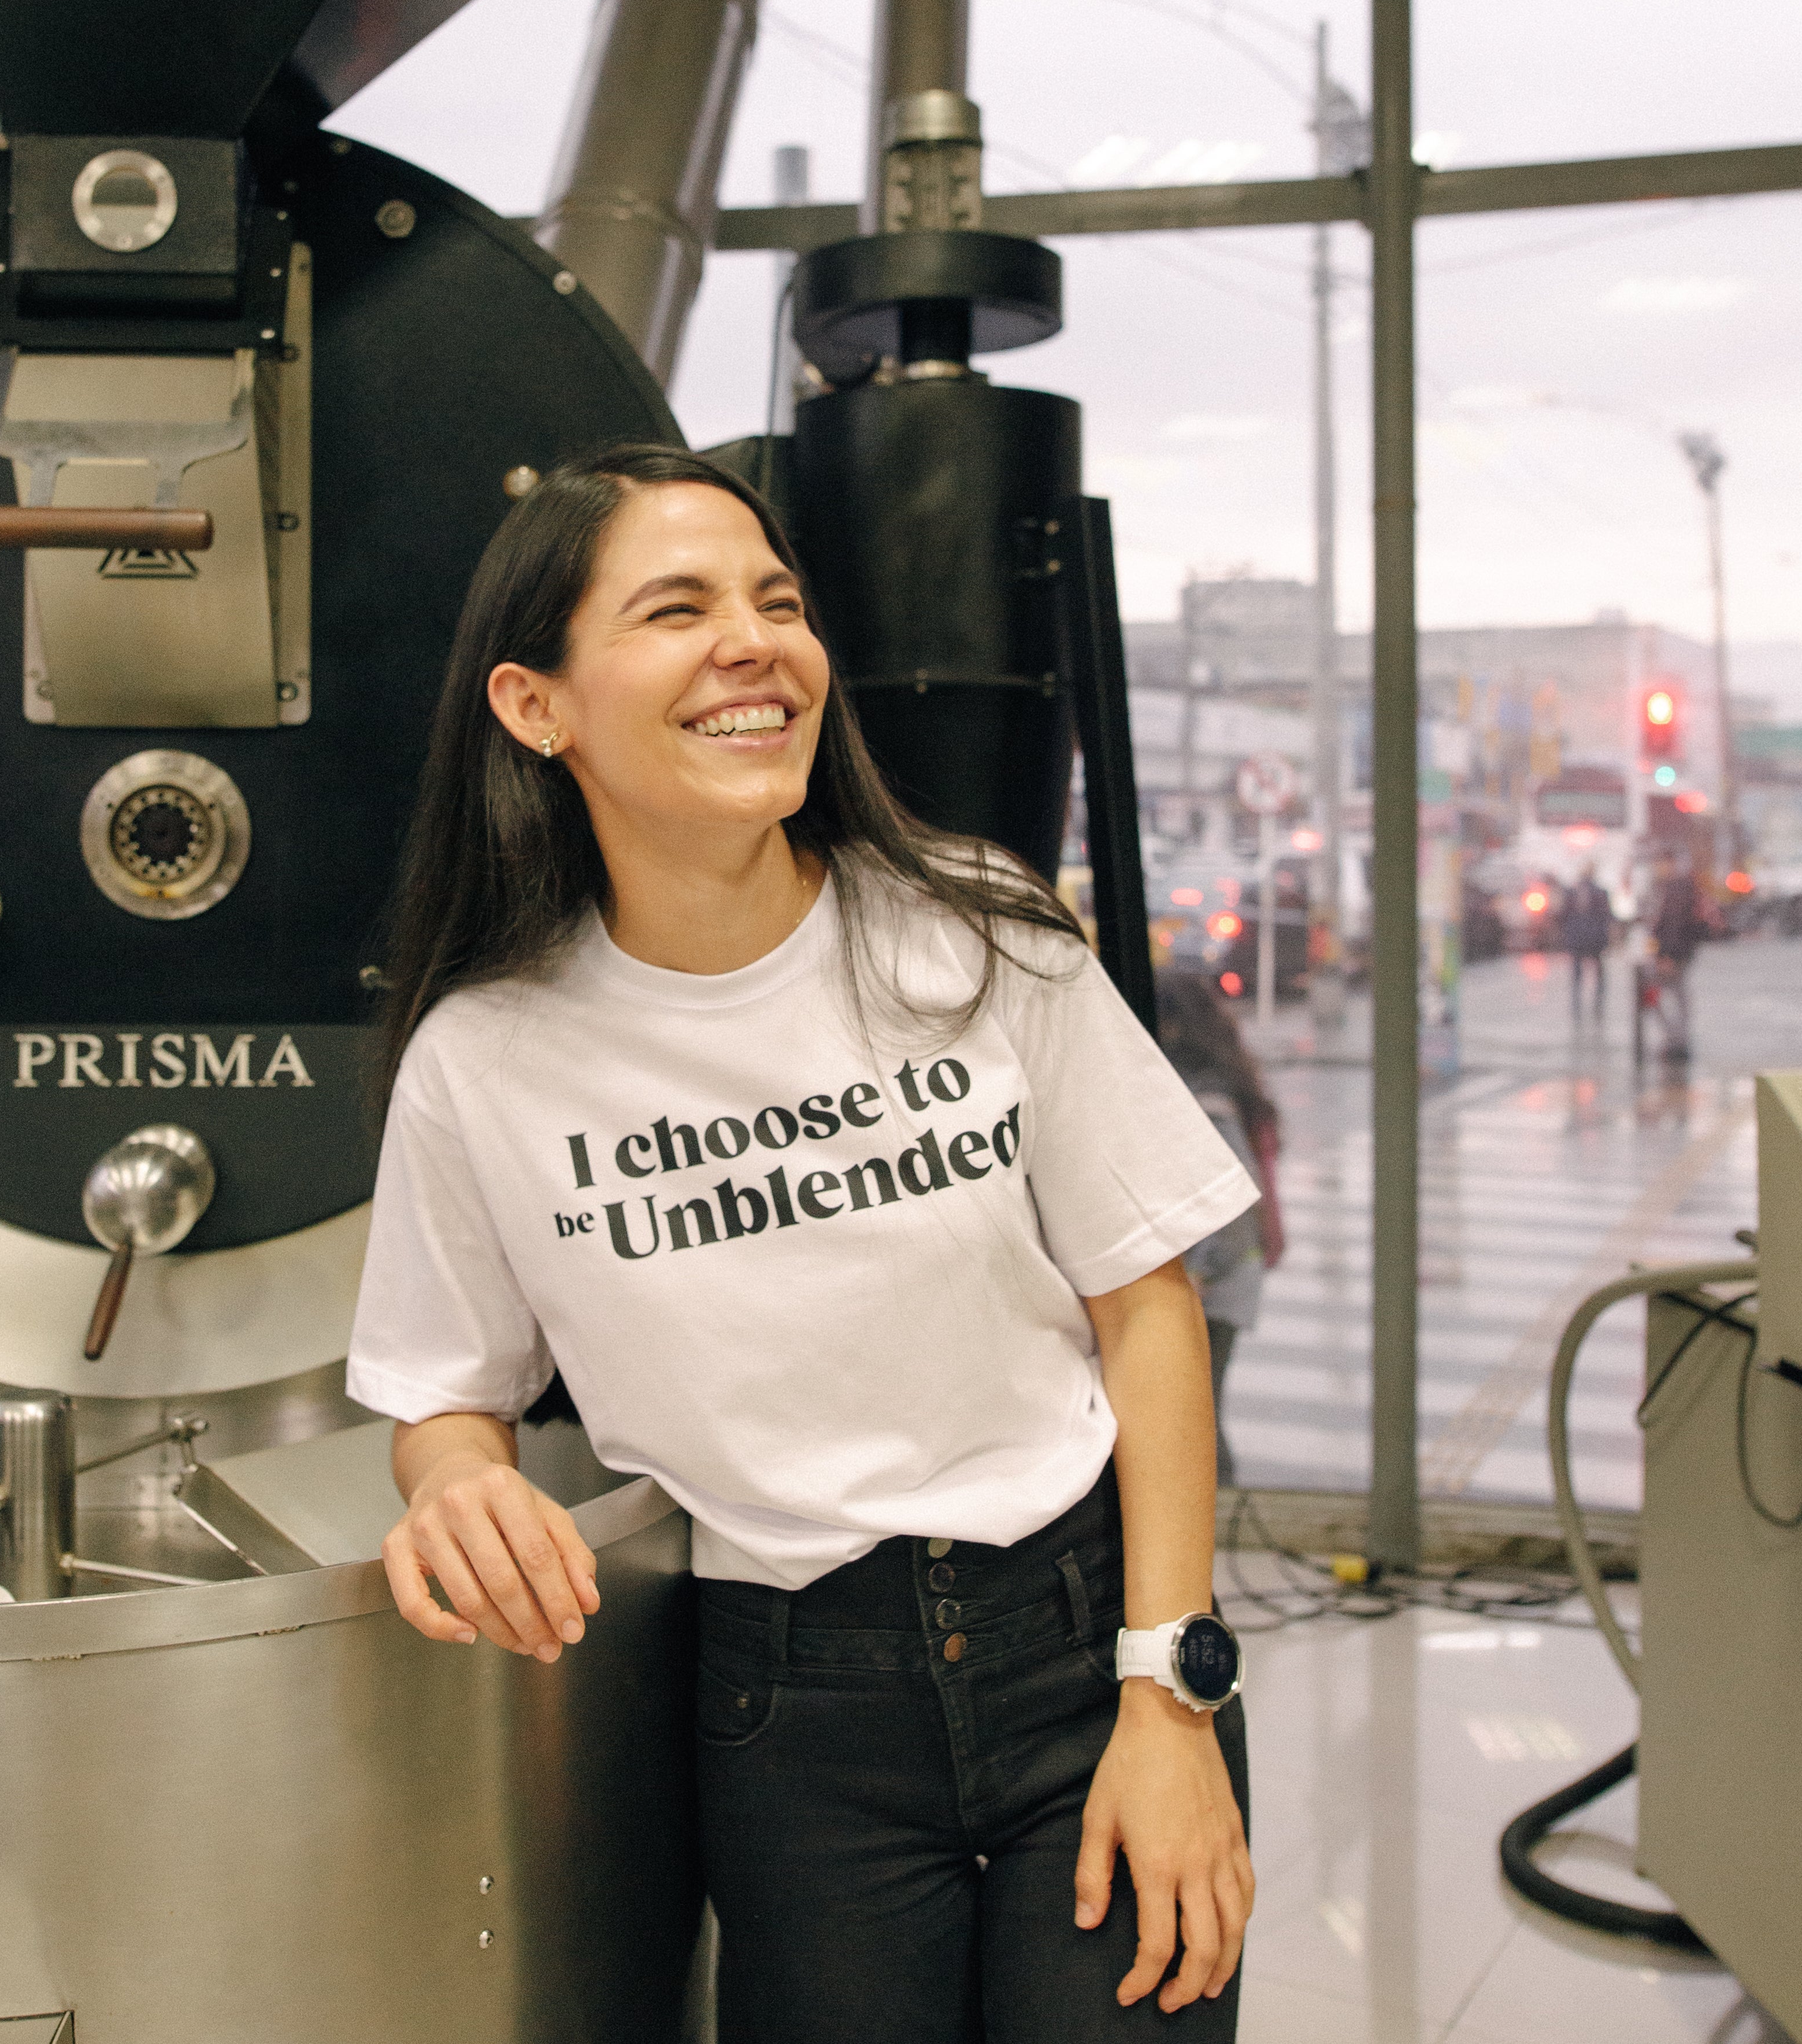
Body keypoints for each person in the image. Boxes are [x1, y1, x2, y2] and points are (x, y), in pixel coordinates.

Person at [347, 443, 1258, 2042]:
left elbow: (1147, 1304)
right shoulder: (483, 1060)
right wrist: (457, 1480)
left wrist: (1166, 1693)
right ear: (534, 705)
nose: (751, 641)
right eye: (675, 608)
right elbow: (440, 1392)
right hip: (787, 1707)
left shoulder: (974, 931)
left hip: (1084, 1640)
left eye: (774, 600)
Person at [1152, 975, 1284, 1485]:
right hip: (1228, 1280)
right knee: (1199, 1416)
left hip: (1212, 1287)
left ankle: (1212, 1529)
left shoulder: (1204, 1098)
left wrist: (1194, 1273)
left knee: (1194, 1423)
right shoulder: (1227, 1081)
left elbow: (1229, 1199)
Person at [1649, 854, 1707, 1060]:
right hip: (1680, 954)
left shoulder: (1676, 889)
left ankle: (1676, 1041)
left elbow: (1674, 926)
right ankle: (1678, 1040)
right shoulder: (1681, 887)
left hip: (1673, 955)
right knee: (1677, 997)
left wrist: (1666, 956)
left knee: (1656, 995)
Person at [1562, 862, 1612, 1017]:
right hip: (1595, 939)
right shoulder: (1600, 892)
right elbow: (1607, 916)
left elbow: (1563, 916)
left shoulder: (1572, 892)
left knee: (1578, 974)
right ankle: (1597, 1004)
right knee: (1598, 973)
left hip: (1578, 939)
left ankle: (1578, 1004)